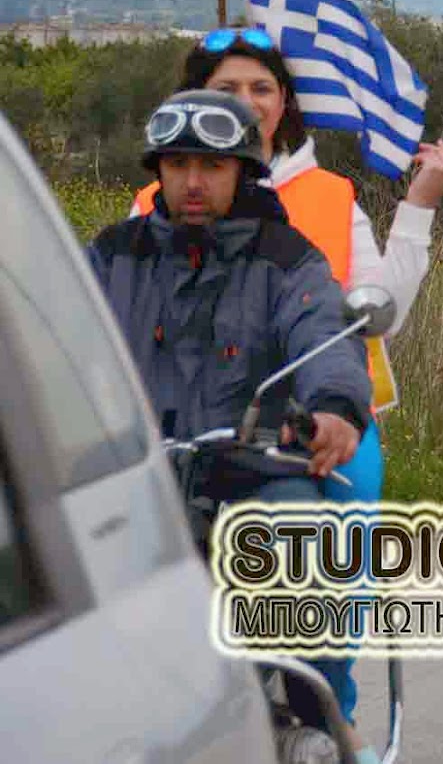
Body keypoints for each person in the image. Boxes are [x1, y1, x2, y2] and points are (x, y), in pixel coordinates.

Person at [130, 27, 443, 756]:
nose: (246, 102)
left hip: (297, 438)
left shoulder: (318, 207)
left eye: (261, 89)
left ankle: (325, 716)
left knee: (321, 557)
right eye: (226, 90)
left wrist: (337, 406)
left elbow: (342, 324)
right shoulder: (133, 229)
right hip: (168, 445)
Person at [89, 91, 372, 738]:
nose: (193, 181)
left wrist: (334, 408)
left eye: (212, 166)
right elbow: (52, 337)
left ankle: (324, 720)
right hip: (140, 478)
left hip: (257, 470)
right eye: (178, 163)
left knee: (304, 545)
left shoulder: (286, 257)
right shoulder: (113, 256)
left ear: (243, 169)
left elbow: (324, 330)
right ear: (157, 169)